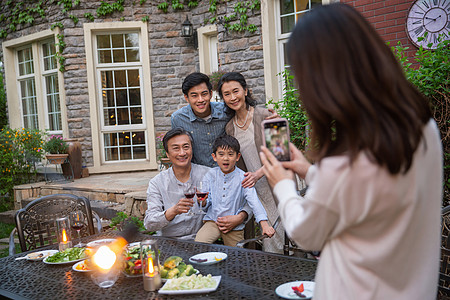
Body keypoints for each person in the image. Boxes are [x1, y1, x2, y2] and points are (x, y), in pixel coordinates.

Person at [259, 4, 443, 300]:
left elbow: (307, 233)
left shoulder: (347, 163)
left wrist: (282, 184)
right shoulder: (421, 127)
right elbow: (373, 189)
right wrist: (310, 171)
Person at [218, 72, 284, 253]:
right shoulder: (229, 127)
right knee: (251, 242)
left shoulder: (266, 115)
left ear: (245, 91)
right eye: (227, 94)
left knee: (274, 243)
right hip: (251, 190)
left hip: (273, 187)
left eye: (236, 91)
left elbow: (281, 154)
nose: (232, 97)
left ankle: (278, 279)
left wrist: (257, 174)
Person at [144, 128, 250, 240]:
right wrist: (173, 211)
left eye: (186, 147)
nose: (182, 153)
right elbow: (149, 224)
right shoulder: (157, 183)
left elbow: (248, 198)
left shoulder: (210, 174)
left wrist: (241, 216)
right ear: (168, 154)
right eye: (176, 148)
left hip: (200, 242)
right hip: (169, 242)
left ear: (192, 149)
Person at [171, 72, 278, 168]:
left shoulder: (264, 116)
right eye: (227, 94)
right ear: (186, 98)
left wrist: (277, 122)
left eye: (204, 94)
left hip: (274, 181)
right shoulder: (178, 119)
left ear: (211, 94)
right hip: (205, 181)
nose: (200, 100)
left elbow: (281, 153)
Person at [195, 135, 275, 246]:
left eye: (230, 154)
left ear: (237, 157)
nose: (226, 158)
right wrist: (202, 201)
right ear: (214, 156)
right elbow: (205, 203)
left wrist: (264, 224)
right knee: (198, 243)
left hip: (235, 226)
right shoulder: (210, 175)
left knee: (237, 255)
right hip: (213, 221)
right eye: (221, 154)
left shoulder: (243, 177)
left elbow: (254, 201)